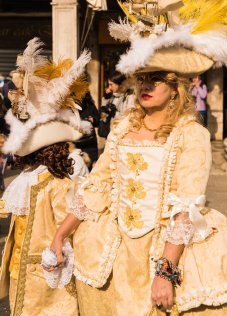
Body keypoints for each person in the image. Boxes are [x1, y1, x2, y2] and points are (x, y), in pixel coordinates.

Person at [45, 0, 227, 315]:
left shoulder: (191, 135)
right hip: (113, 249)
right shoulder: (123, 126)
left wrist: (166, 273)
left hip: (165, 248)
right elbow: (98, 184)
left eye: (155, 79)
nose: (145, 85)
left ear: (175, 88)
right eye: (141, 77)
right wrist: (61, 234)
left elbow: (185, 207)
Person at [0, 38, 92, 315]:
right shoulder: (27, 178)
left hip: (47, 277)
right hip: (19, 274)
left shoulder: (57, 183)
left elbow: (73, 227)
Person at [98, 71, 135, 138]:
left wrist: (114, 113)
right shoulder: (114, 94)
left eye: (111, 84)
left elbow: (129, 117)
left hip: (122, 135)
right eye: (108, 84)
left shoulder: (129, 95)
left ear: (119, 84)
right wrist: (106, 98)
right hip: (112, 133)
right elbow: (104, 113)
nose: (109, 87)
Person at [75, 91, 99, 166]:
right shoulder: (71, 106)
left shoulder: (90, 105)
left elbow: (98, 120)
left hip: (90, 143)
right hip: (77, 142)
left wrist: (93, 119)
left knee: (91, 165)